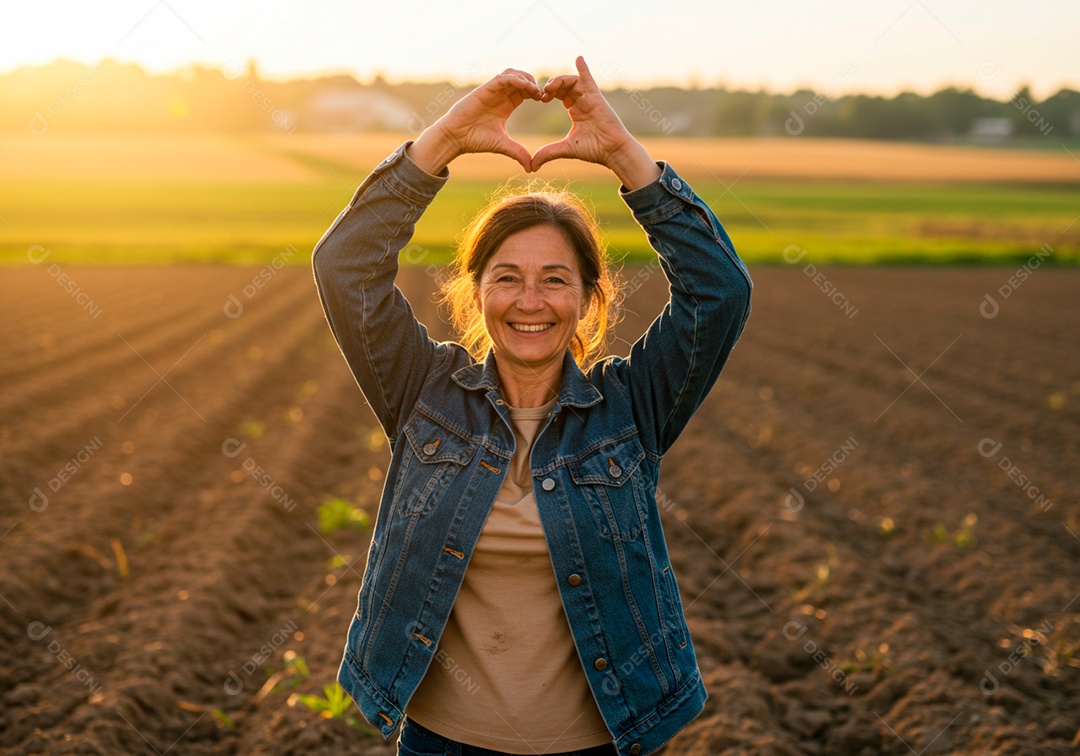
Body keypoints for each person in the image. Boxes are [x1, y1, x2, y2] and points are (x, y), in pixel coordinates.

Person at [312, 57, 752, 756]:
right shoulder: (424, 393)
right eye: (507, 278)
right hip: (443, 744)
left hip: (603, 742)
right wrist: (448, 137)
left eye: (555, 280)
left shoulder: (631, 406)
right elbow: (344, 267)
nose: (530, 301)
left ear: (586, 298)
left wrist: (622, 155)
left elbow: (718, 293)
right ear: (476, 291)